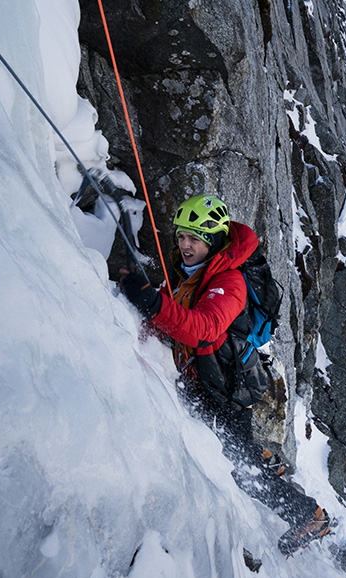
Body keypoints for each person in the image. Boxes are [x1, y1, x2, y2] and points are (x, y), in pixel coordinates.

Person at [119, 193, 330, 556]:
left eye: (195, 238)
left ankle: (310, 516)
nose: (185, 244)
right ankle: (264, 459)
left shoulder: (228, 283)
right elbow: (182, 305)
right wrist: (149, 297)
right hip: (209, 378)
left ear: (213, 240)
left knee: (239, 467)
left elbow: (203, 327)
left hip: (225, 387)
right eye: (182, 236)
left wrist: (153, 305)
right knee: (236, 449)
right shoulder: (197, 272)